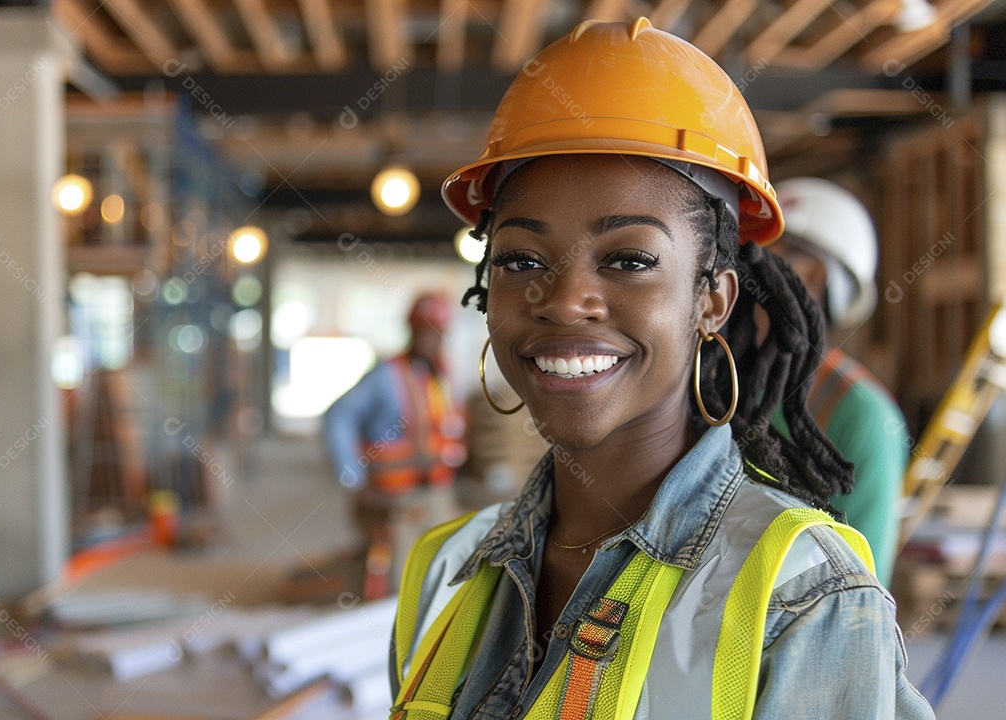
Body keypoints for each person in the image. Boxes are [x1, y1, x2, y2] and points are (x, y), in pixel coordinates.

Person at [388, 18, 933, 719]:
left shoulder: (803, 599)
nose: (562, 301)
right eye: (520, 260)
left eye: (628, 260)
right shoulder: (445, 570)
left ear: (712, 299)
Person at [769, 177, 909, 585]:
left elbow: (859, 592)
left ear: (811, 277)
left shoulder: (861, 415)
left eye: (760, 253)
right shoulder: (713, 379)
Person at [323, 292, 465, 594]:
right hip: (397, 500)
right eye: (424, 332)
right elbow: (338, 416)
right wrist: (352, 477)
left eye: (437, 333)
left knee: (446, 574)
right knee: (400, 583)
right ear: (411, 331)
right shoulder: (386, 376)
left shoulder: (441, 377)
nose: (431, 341)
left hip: (436, 494)